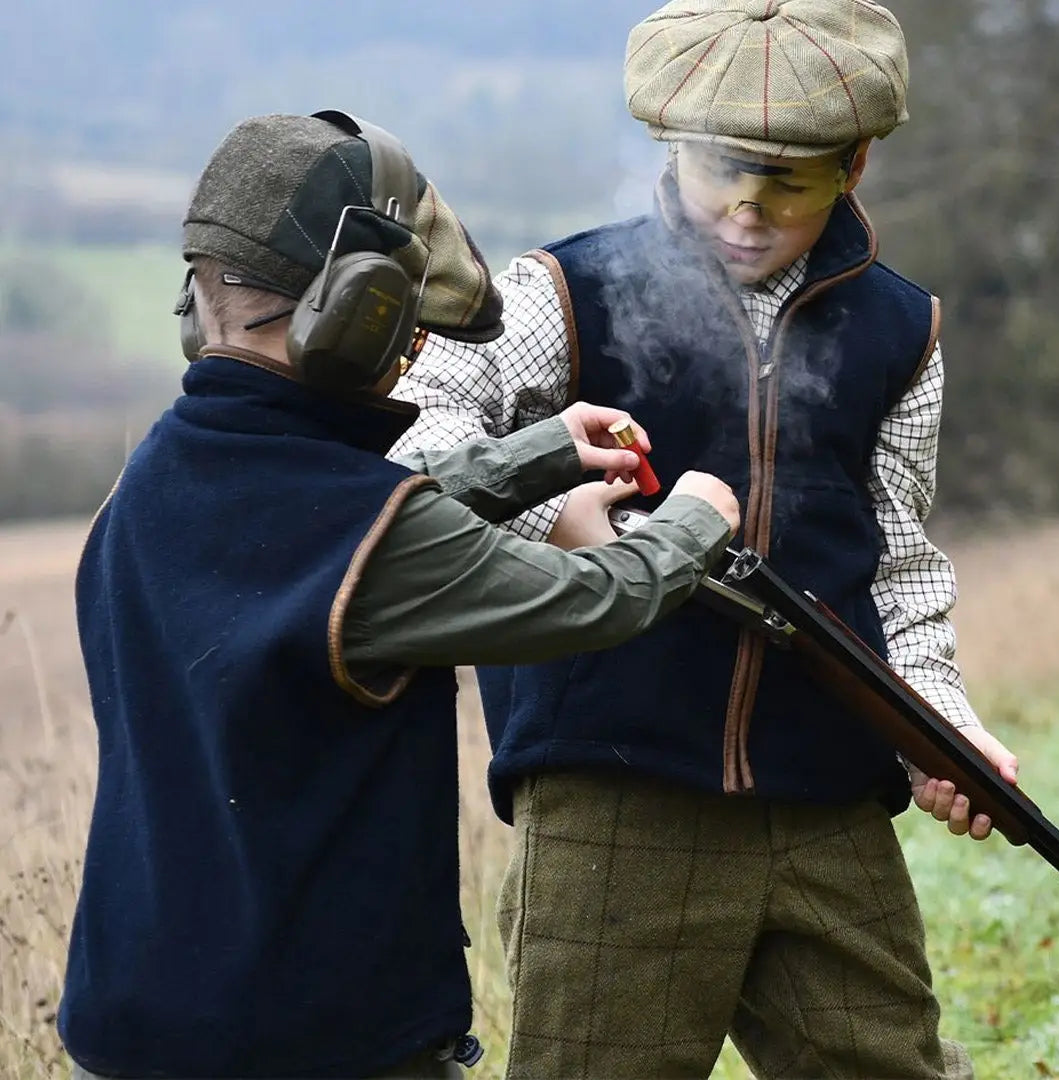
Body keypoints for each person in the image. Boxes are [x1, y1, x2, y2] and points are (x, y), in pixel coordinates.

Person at [390, 3, 1022, 1077]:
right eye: (719, 167)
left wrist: (940, 723)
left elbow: (900, 563)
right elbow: (419, 445)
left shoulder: (902, 333)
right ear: (669, 142)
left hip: (828, 799)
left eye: (787, 177)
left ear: (856, 162)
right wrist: (556, 505)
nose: (744, 206)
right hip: (613, 797)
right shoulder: (564, 291)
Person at [57, 111, 742, 1080]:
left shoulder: (146, 487)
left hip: (123, 1039)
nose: (413, 344)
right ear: (359, 312)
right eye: (405, 319)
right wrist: (701, 516)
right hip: (320, 1050)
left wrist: (541, 455)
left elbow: (329, 540)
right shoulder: (368, 535)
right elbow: (600, 595)